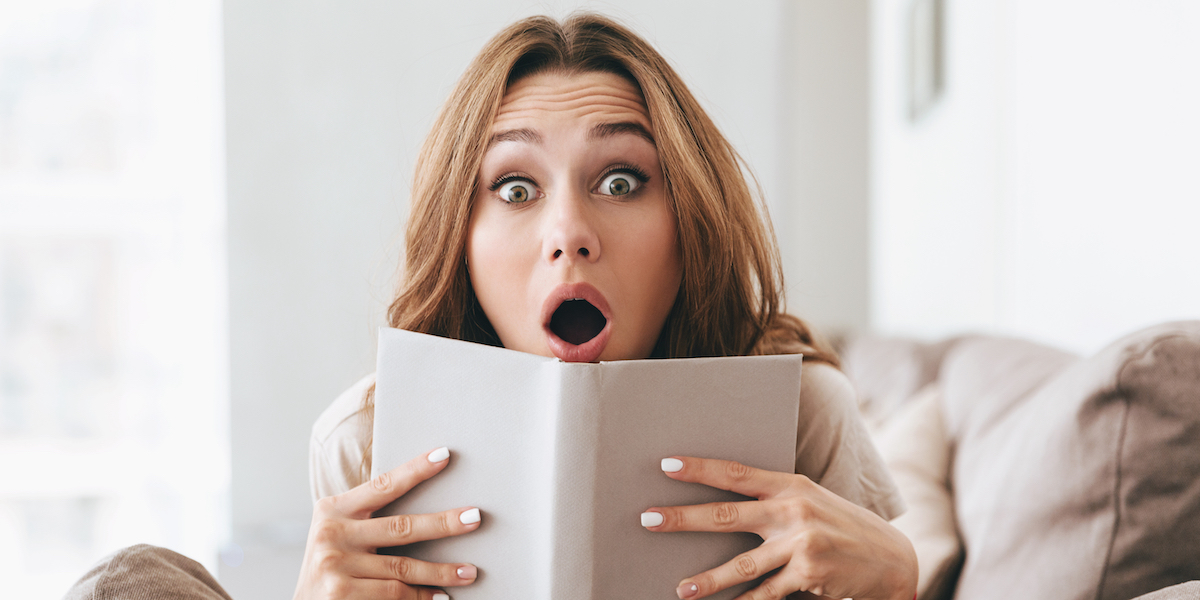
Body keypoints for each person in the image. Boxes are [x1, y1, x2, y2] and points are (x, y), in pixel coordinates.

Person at [65, 12, 916, 600]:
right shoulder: (365, 442)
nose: (569, 233)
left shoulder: (803, 413)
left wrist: (899, 577)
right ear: (461, 241)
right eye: (514, 187)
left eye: (621, 181)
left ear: (689, 223)